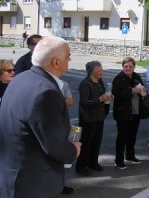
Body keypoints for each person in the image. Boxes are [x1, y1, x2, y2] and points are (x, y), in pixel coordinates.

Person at [0, 37, 81, 198]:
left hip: (14, 176)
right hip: (32, 184)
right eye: (68, 55)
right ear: (56, 62)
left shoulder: (21, 79)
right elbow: (54, 146)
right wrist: (74, 149)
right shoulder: (46, 92)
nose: (70, 59)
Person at [76, 61, 113, 176]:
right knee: (86, 143)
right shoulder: (85, 83)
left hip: (99, 116)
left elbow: (103, 96)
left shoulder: (99, 81)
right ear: (91, 72)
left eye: (101, 70)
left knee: (96, 141)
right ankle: (81, 166)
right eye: (99, 71)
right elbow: (84, 103)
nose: (101, 72)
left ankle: (93, 162)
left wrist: (109, 97)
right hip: (88, 118)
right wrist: (100, 99)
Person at [112, 57, 147, 169]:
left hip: (135, 111)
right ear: (122, 67)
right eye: (125, 66)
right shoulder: (118, 78)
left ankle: (130, 156)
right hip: (123, 112)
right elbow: (117, 94)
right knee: (122, 137)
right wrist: (132, 91)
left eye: (130, 66)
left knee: (132, 135)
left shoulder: (136, 76)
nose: (128, 68)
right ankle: (119, 160)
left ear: (134, 67)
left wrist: (143, 90)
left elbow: (142, 88)